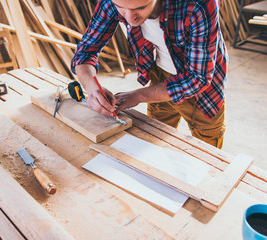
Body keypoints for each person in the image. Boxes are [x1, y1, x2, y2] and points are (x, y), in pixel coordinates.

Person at [71, 0, 228, 149]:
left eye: (140, 8)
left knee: (207, 145)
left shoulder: (198, 4)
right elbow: (85, 51)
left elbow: (197, 78)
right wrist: (92, 89)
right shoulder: (113, 2)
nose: (130, 18)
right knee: (154, 135)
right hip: (161, 73)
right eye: (121, 7)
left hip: (204, 83)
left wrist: (138, 96)